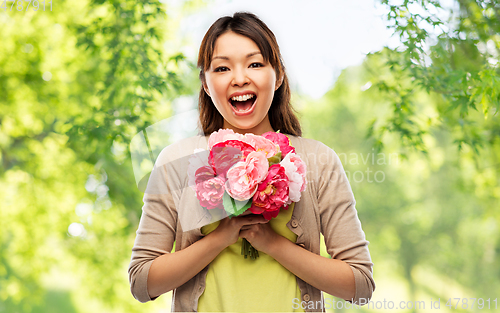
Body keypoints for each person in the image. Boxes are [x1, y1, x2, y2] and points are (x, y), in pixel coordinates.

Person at [128, 12, 375, 312]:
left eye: (255, 64)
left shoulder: (318, 160)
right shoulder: (176, 162)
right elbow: (142, 282)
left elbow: (360, 286)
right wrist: (221, 237)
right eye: (221, 68)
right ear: (205, 83)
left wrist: (271, 243)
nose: (240, 78)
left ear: (279, 75)